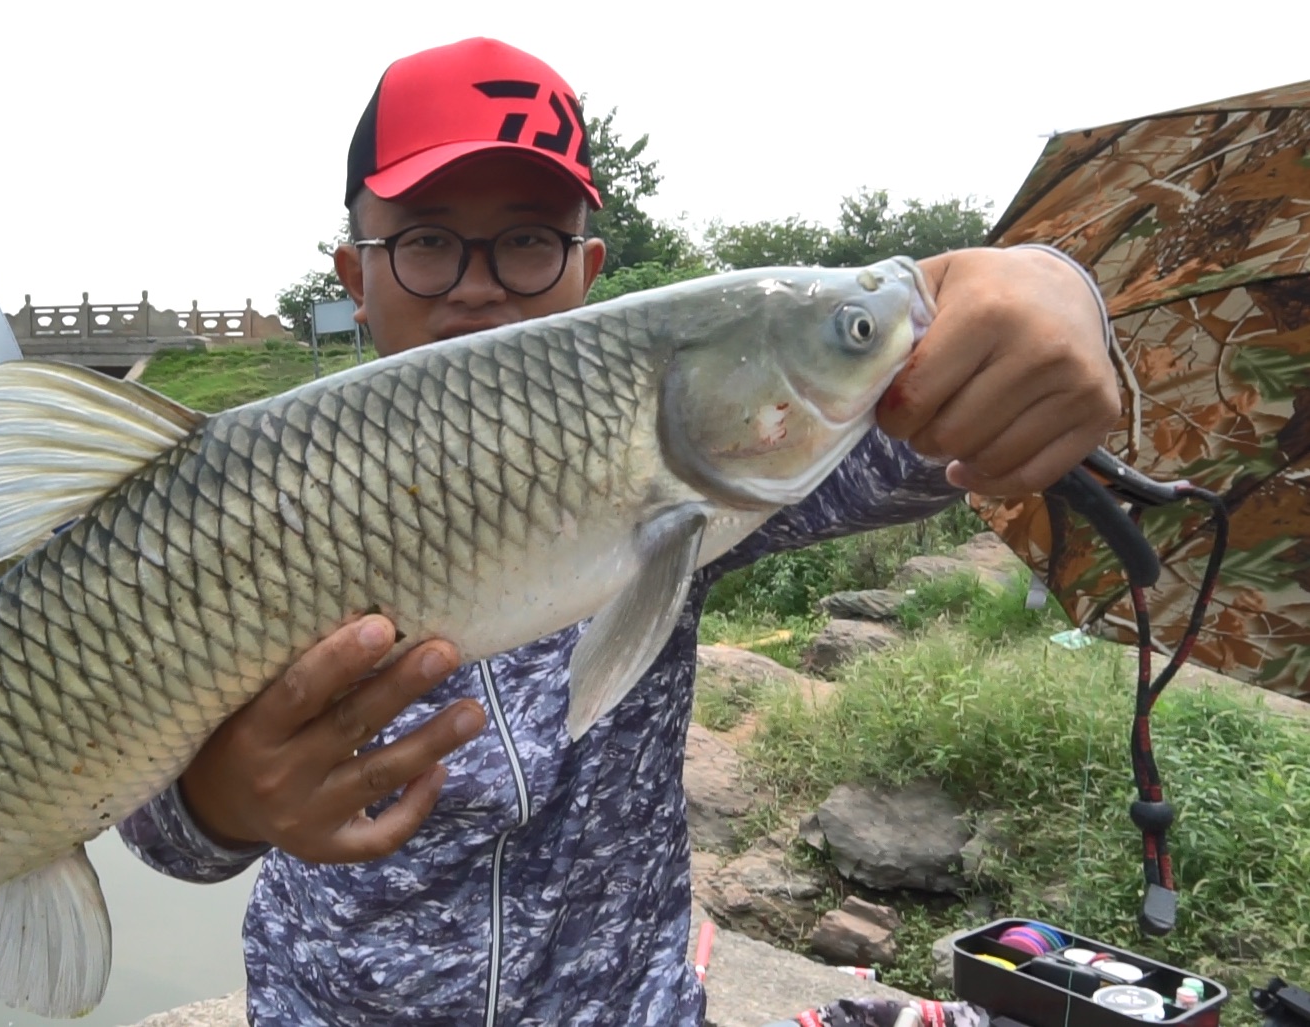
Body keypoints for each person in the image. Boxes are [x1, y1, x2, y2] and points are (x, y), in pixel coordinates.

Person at [119, 37, 1120, 1026]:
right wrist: (218, 808)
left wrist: (1047, 285)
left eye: (526, 238)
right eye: (424, 240)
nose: (477, 282)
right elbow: (158, 836)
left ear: (587, 266)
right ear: (353, 273)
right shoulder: (248, 508)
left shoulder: (681, 462)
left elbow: (927, 446)